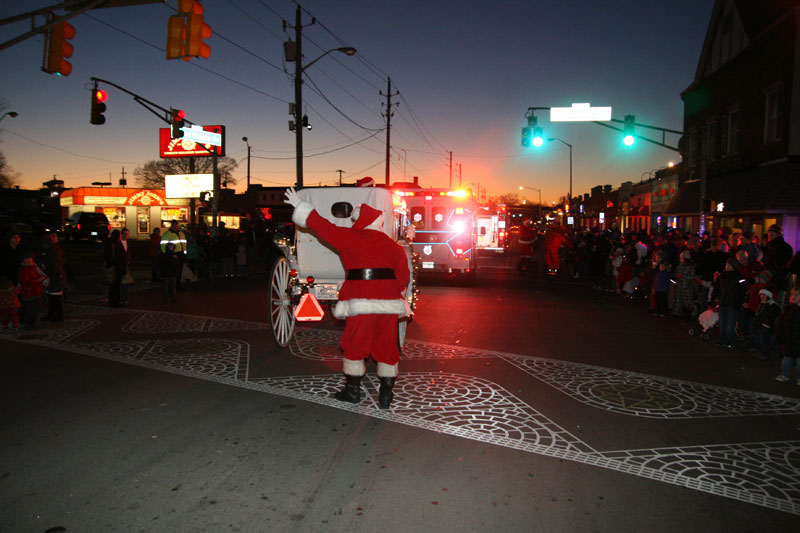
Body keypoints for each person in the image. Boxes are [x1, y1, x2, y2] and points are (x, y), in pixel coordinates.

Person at [284, 188, 410, 409]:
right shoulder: (394, 247)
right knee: (386, 346)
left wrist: (299, 205)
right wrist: (389, 293)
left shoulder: (351, 238)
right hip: (389, 303)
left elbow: (323, 227)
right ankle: (386, 394)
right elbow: (403, 279)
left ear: (361, 221)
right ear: (379, 222)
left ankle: (353, 391)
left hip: (360, 301)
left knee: (355, 344)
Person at [39, 232, 67, 322]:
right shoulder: (53, 251)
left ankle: (58, 316)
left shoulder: (52, 252)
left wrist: (49, 277)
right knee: (53, 299)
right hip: (56, 277)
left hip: (55, 278)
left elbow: (53, 267)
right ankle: (52, 315)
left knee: (55, 299)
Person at [775, 289, 800, 384]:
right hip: (788, 339)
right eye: (793, 295)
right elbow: (780, 323)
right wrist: (781, 335)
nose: (794, 297)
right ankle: (784, 374)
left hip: (798, 339)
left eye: (797, 295)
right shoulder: (788, 309)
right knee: (787, 358)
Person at [17, 252, 47, 329]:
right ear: (23, 261)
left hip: (36, 291)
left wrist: (41, 277)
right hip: (29, 293)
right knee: (30, 310)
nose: (30, 261)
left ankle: (33, 323)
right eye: (27, 259)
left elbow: (37, 276)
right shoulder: (23, 270)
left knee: (35, 309)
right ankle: (29, 324)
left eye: (30, 259)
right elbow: (25, 281)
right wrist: (38, 280)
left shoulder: (33, 267)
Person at [751, 289, 781, 360]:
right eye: (761, 295)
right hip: (760, 324)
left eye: (764, 295)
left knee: (765, 340)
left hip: (767, 325)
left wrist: (766, 323)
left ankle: (765, 353)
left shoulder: (772, 304)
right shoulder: (762, 303)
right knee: (761, 339)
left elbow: (773, 315)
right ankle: (761, 351)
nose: (762, 296)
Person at [161, 220, 187, 290]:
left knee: (179, 271)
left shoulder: (181, 233)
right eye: (175, 225)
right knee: (173, 272)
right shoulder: (167, 234)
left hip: (181, 254)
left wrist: (184, 254)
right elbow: (163, 246)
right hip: (173, 255)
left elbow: (184, 244)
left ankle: (177, 285)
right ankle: (172, 287)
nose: (176, 226)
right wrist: (168, 255)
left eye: (177, 225)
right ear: (172, 225)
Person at [103, 230, 126, 308]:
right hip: (116, 268)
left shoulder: (112, 243)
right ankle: (114, 302)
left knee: (114, 286)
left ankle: (113, 301)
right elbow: (118, 256)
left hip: (115, 267)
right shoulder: (114, 244)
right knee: (115, 286)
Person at [119, 228, 132, 306]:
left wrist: (129, 260)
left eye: (127, 234)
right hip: (121, 265)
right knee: (122, 283)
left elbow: (129, 252)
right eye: (125, 234)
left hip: (126, 265)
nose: (126, 236)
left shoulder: (128, 243)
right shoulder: (119, 243)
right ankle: (122, 298)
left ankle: (125, 298)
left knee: (125, 283)